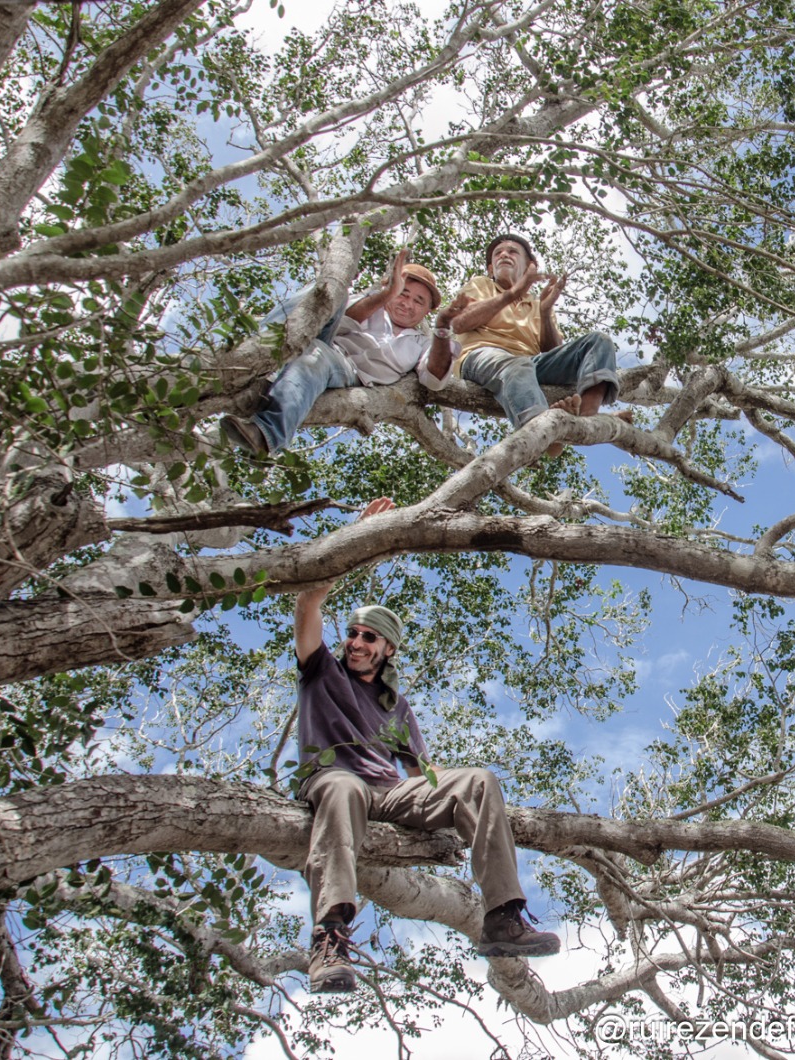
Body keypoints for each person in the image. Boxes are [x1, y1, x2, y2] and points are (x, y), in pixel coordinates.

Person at [291, 497, 560, 994]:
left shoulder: (397, 705)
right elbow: (309, 602)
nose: (355, 641)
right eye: (351, 632)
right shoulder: (320, 672)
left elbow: (423, 776)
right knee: (345, 786)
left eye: (368, 636)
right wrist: (356, 540)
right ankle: (329, 936)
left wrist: (451, 812)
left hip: (387, 792)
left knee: (477, 781)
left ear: (388, 648)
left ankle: (502, 917)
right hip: (333, 784)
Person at [222, 251, 450, 455]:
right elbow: (344, 318)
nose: (407, 303)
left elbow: (434, 379)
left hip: (344, 367)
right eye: (403, 293)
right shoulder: (372, 304)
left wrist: (444, 327)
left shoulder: (422, 342)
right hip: (315, 337)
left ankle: (267, 435)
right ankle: (254, 356)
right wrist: (385, 295)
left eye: (418, 301)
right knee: (329, 289)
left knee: (317, 356)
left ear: (428, 311)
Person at [423, 233, 628, 456]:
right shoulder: (481, 285)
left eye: (512, 252)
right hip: (482, 356)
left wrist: (545, 311)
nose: (504, 255)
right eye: (498, 254)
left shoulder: (537, 303)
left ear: (530, 266)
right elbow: (459, 324)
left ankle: (586, 419)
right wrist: (512, 294)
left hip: (530, 363)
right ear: (491, 269)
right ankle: (543, 435)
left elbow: (553, 353)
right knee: (517, 366)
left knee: (598, 341)